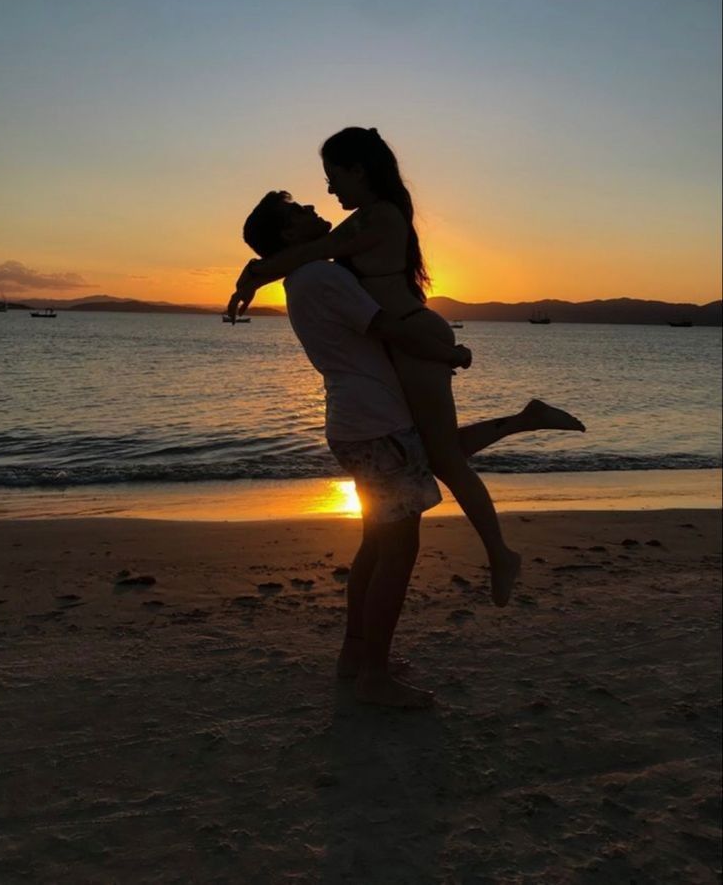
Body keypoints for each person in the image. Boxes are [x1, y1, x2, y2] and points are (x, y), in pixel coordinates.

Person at [236, 191, 585, 709]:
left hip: (358, 423)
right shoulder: (324, 277)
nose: (313, 209)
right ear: (288, 233)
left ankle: (356, 656)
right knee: (398, 551)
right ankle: (374, 675)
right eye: (299, 211)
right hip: (376, 422)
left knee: (379, 539)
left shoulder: (302, 277)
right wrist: (452, 353)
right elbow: (390, 328)